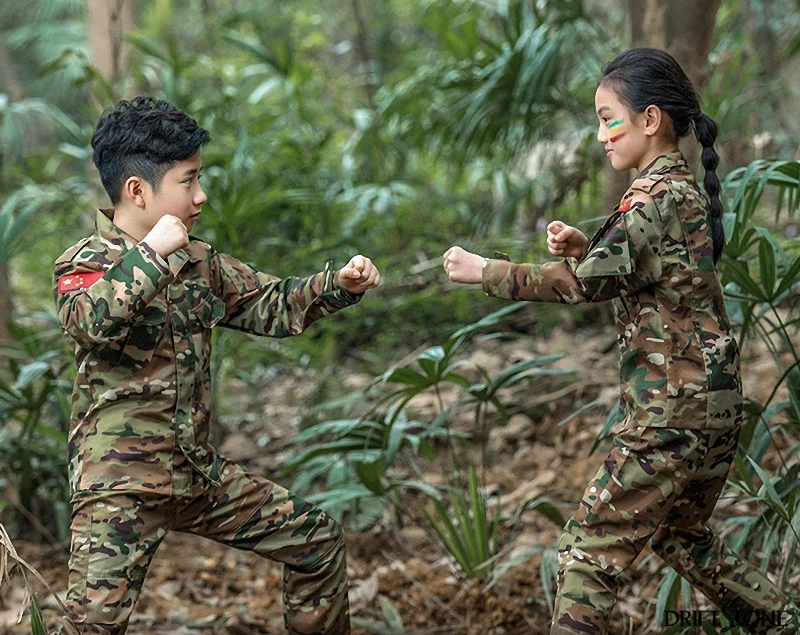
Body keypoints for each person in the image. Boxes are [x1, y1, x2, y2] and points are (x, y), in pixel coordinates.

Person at [442, 48, 798, 634]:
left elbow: (581, 289)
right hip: (714, 410)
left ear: (650, 119)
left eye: (610, 118)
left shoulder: (650, 198)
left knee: (585, 555)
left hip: (671, 414)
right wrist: (589, 246)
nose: (601, 135)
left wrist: (485, 271)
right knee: (685, 542)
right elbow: (645, 272)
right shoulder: (680, 192)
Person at [54, 96, 380, 635]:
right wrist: (152, 256)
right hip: (121, 487)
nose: (201, 196)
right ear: (137, 190)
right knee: (87, 628)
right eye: (188, 181)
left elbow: (270, 304)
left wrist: (336, 286)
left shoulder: (199, 263)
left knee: (317, 542)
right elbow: (89, 320)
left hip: (196, 474)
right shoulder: (85, 261)